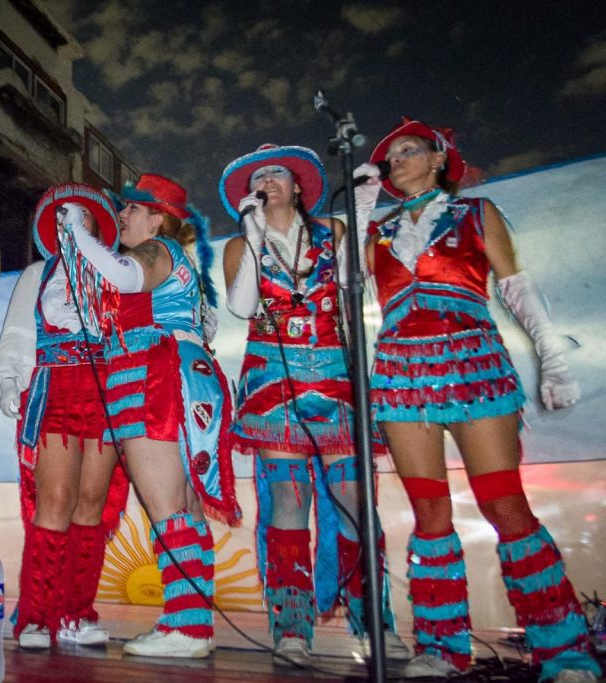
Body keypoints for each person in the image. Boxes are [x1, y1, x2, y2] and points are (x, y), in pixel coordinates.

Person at [355, 117, 600, 682]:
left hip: (473, 364)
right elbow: (345, 284)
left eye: (409, 150)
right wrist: (363, 212)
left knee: (504, 504)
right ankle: (442, 647)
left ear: (440, 159)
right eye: (392, 155)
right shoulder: (379, 230)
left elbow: (516, 286)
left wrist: (552, 357)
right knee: (429, 513)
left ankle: (564, 652)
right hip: (400, 373)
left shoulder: (475, 213)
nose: (396, 160)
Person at [219, 145, 409, 665]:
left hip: (334, 376)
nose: (267, 181)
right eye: (258, 177)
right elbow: (242, 306)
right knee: (288, 498)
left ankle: (373, 622)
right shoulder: (239, 243)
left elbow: (351, 284)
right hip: (272, 381)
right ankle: (292, 629)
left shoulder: (332, 231)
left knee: (353, 498)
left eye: (277, 173)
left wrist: (362, 215)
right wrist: (254, 233)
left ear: (298, 184)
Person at [58, 174, 241, 658]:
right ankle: (191, 622)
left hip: (153, 378)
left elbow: (123, 275)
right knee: (182, 507)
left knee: (166, 506)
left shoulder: (156, 251)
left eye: (132, 209)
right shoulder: (176, 260)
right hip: (177, 375)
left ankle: (186, 628)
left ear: (157, 219)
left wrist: (77, 232)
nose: (121, 216)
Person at [0, 183, 130, 649]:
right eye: (61, 216)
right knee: (56, 499)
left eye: (79, 215)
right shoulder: (39, 273)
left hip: (106, 392)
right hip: (56, 390)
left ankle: (76, 613)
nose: (69, 222)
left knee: (91, 503)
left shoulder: (116, 274)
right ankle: (37, 615)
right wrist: (9, 381)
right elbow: (16, 333)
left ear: (95, 227)